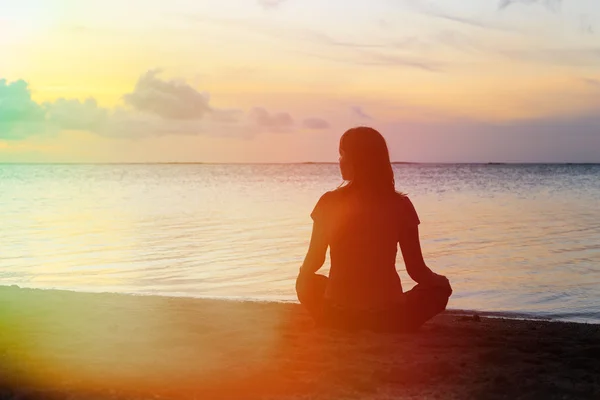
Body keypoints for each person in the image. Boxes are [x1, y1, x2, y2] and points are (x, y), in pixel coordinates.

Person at [296, 127, 452, 333]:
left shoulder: (328, 202)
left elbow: (314, 262)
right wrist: (441, 282)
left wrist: (309, 281)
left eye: (342, 154)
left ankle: (336, 322)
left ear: (356, 160)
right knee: (439, 290)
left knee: (307, 281)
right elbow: (417, 271)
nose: (339, 160)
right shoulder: (401, 205)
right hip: (389, 317)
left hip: (338, 312)